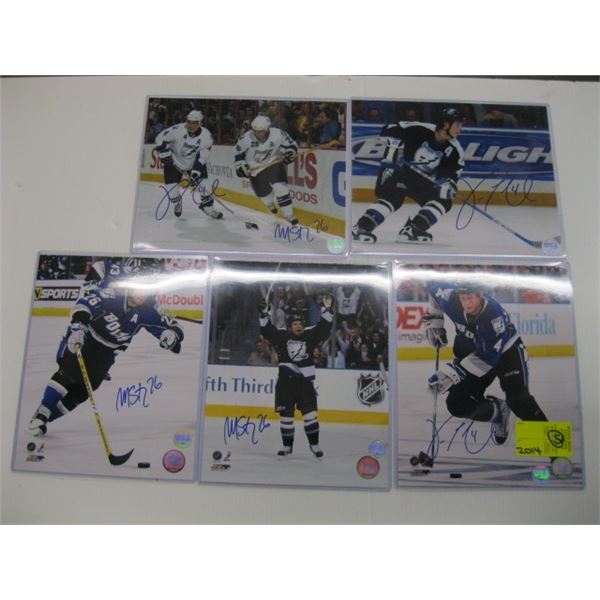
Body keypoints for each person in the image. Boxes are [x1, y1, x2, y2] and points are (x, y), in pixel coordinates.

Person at [28, 278, 184, 436]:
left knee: (83, 391)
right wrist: (79, 327)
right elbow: (83, 304)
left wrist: (171, 335)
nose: (141, 295)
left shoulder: (149, 310)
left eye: (145, 291)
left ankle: (45, 419)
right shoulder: (112, 295)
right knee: (69, 373)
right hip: (86, 338)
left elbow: (174, 327)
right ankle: (42, 413)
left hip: (107, 353)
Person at [424, 281, 548, 445]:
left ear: (481, 295)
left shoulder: (492, 315)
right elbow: (433, 292)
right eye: (463, 298)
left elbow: (487, 358)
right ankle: (499, 413)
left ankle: (553, 449)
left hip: (507, 354)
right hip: (475, 355)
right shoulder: (449, 297)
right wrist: (435, 323)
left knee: (519, 401)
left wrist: (452, 374)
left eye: (470, 298)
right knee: (457, 404)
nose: (466, 303)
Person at [352, 107, 465, 244]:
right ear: (446, 124)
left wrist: (447, 183)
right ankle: (361, 227)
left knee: (444, 200)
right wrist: (395, 145)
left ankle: (413, 230)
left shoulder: (455, 150)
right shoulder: (419, 129)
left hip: (420, 180)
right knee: (393, 197)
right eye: (458, 124)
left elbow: (451, 173)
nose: (460, 129)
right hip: (398, 171)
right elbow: (388, 129)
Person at [258, 292, 334, 459]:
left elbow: (324, 327)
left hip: (305, 384)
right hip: (285, 384)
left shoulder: (310, 335)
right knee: (286, 418)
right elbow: (267, 330)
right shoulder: (282, 336)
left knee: (311, 416)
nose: (298, 326)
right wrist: (263, 313)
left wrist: (327, 309)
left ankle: (314, 445)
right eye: (295, 324)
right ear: (290, 326)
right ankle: (287, 447)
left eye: (300, 324)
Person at [154, 109, 222, 220]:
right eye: (189, 122)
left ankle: (208, 209)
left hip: (193, 163)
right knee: (172, 193)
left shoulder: (206, 136)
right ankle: (177, 203)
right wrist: (163, 153)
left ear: (200, 123)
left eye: (194, 123)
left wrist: (196, 171)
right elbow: (160, 138)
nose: (191, 125)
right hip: (174, 163)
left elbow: (202, 156)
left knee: (206, 186)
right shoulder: (177, 130)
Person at [233, 115, 299, 225]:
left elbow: (291, 145)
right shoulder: (245, 138)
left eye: (261, 131)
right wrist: (240, 165)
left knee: (280, 187)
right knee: (263, 194)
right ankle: (269, 203)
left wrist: (290, 153)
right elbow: (238, 154)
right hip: (255, 168)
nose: (258, 134)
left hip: (272, 162)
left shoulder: (278, 134)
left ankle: (289, 214)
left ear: (267, 128)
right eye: (256, 131)